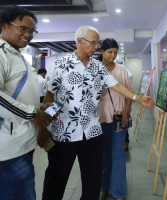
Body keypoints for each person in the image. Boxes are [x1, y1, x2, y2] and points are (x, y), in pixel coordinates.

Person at [38, 26, 155, 200]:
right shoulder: (61, 64)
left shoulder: (97, 66)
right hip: (64, 132)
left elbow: (117, 85)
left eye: (97, 43)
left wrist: (138, 98)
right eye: (93, 43)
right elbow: (50, 97)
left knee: (92, 181)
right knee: (56, 180)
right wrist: (46, 123)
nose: (95, 47)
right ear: (79, 41)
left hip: (92, 131)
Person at [0, 6, 53, 200]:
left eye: (31, 31)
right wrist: (33, 113)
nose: (28, 35)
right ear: (4, 25)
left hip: (23, 143)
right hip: (8, 150)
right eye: (23, 28)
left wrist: (40, 109)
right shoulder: (1, 53)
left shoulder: (17, 56)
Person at [98, 38, 133, 200]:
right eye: (110, 52)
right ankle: (104, 187)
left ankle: (118, 191)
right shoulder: (95, 69)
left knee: (118, 155)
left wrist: (127, 112)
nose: (113, 55)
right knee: (104, 155)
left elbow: (129, 94)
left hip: (119, 118)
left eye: (115, 52)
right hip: (100, 120)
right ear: (102, 52)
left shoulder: (122, 70)